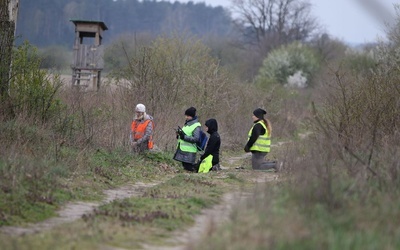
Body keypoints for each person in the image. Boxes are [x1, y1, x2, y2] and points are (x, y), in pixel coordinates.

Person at [173, 107, 202, 172]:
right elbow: (184, 135)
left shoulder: (196, 126)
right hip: (183, 149)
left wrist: (184, 137)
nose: (186, 117)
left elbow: (196, 139)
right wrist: (178, 135)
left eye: (188, 116)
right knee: (186, 167)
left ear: (192, 116)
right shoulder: (187, 124)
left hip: (190, 151)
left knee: (189, 168)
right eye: (186, 115)